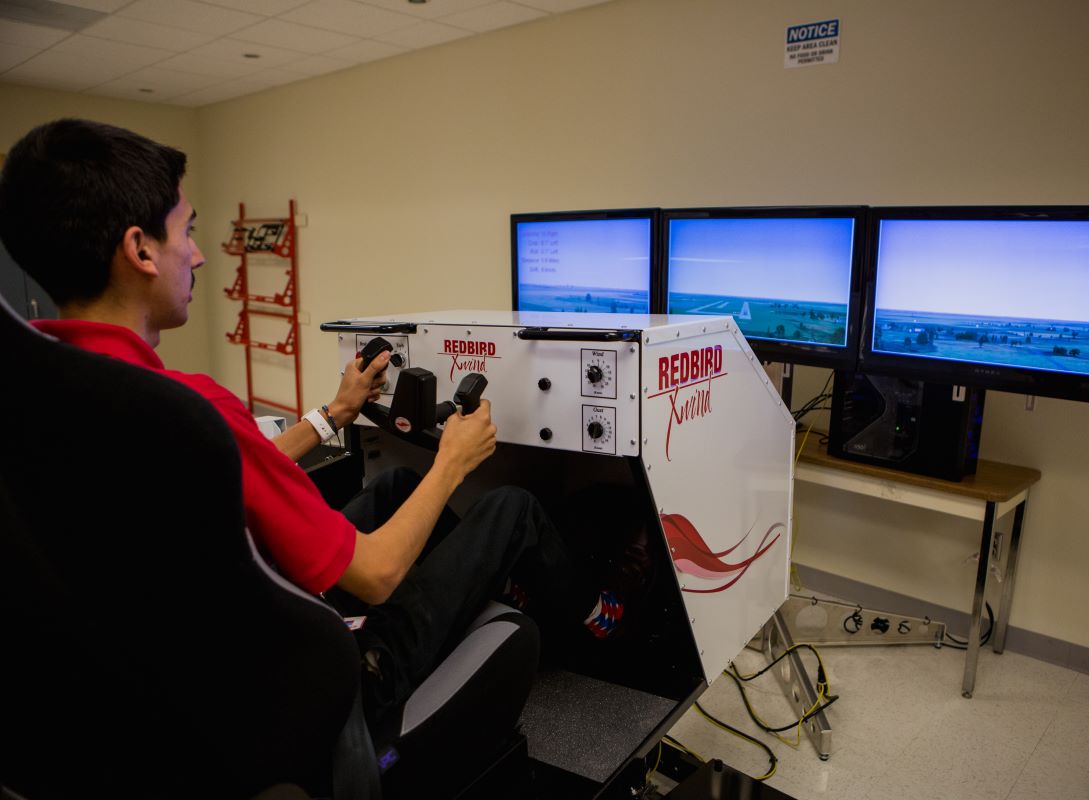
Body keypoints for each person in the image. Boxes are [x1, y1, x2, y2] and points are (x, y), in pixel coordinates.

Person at [0, 118, 644, 722]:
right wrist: (452, 460)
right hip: (327, 679)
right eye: (186, 232)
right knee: (511, 506)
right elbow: (375, 573)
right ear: (140, 250)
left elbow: (220, 474)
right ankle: (600, 620)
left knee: (393, 488)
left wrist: (334, 415)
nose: (196, 256)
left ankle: (491, 583)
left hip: (209, 663)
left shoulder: (63, 391)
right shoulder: (187, 406)